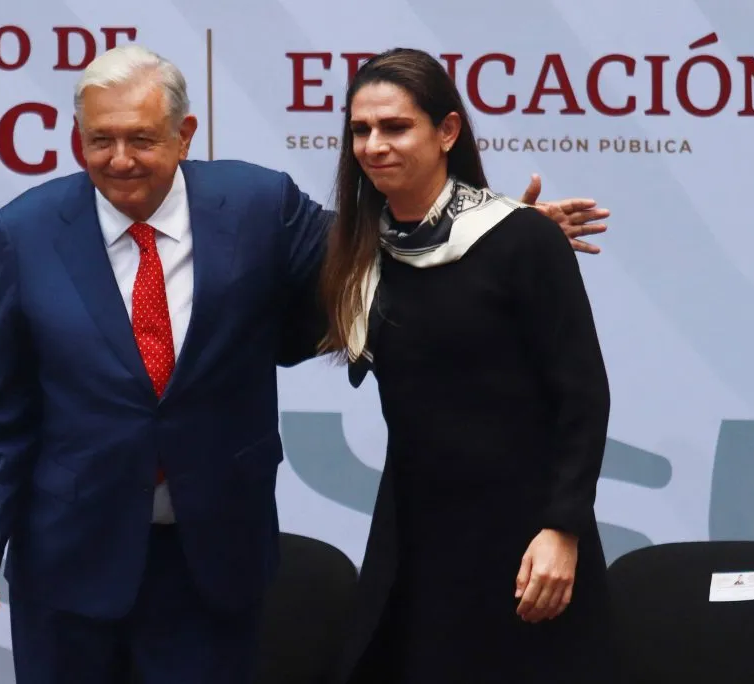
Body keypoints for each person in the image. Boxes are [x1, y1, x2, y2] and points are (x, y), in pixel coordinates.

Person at [0, 44, 608, 684]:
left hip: (210, 558)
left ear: (185, 135)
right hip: (70, 560)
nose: (119, 160)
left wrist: (502, 233)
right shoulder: (26, 229)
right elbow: (3, 405)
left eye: (142, 140)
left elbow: (389, 244)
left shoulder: (256, 206)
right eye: (100, 140)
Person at [319, 48, 615, 683]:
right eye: (360, 130)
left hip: (525, 539)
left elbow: (583, 395)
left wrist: (562, 530)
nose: (373, 145)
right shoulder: (358, 254)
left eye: (395, 127)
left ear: (446, 132)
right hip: (416, 539)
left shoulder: (523, 239)